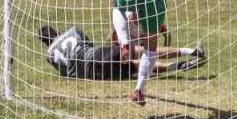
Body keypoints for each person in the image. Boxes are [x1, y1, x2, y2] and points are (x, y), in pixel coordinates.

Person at [39, 26, 203, 81]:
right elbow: (88, 43)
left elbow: (65, 72)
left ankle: (180, 66)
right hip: (96, 54)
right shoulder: (71, 31)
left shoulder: (49, 56)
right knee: (142, 51)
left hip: (92, 74)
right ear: (56, 30)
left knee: (136, 67)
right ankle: (192, 51)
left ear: (45, 42)